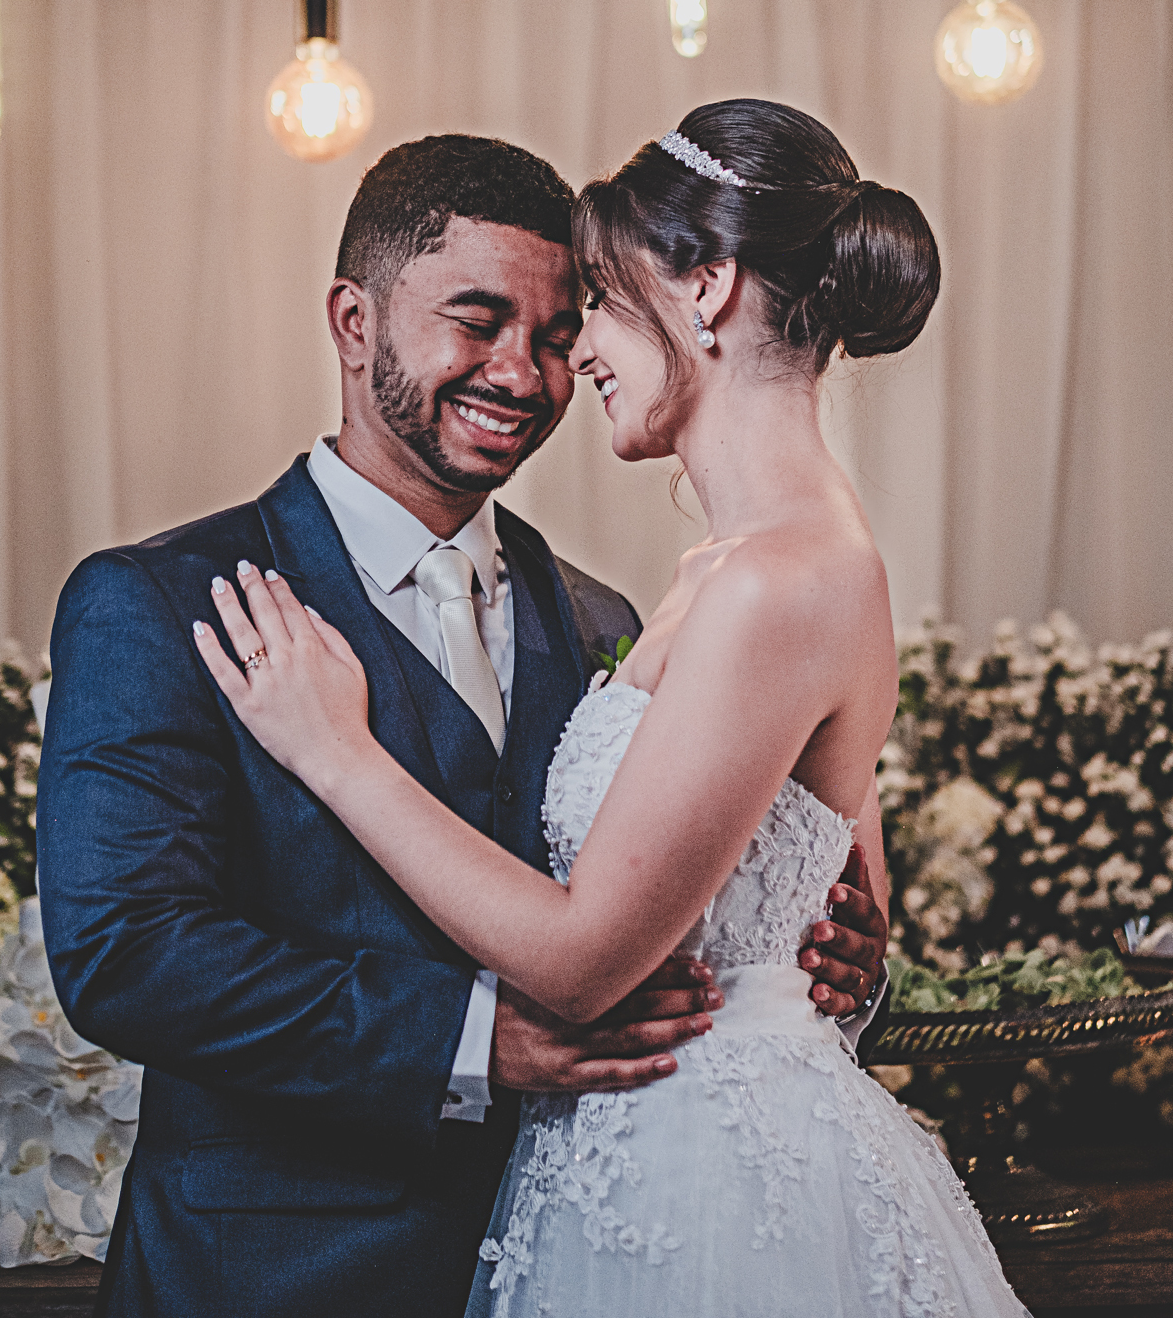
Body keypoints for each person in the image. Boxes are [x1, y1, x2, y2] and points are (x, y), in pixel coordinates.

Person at [195, 101, 1030, 1318]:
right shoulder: (706, 581)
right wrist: (829, 891)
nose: (572, 349)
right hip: (603, 1169)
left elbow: (588, 961)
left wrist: (338, 751)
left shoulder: (772, 580)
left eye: (595, 296)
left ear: (708, 287)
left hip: (715, 1194)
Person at [36, 132, 884, 1318]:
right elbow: (127, 955)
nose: (524, 373)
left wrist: (831, 952)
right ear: (353, 321)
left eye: (552, 334)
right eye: (475, 321)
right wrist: (478, 1040)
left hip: (586, 1248)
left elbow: (686, 913)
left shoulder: (607, 615)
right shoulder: (164, 600)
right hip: (270, 1273)